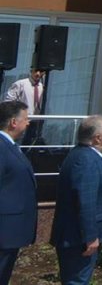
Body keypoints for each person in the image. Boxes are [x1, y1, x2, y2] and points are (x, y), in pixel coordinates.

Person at [51, 116, 102, 285]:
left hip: (80, 237)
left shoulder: (86, 156)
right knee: (77, 280)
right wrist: (90, 236)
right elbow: (85, 200)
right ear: (97, 138)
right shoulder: (85, 160)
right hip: (79, 239)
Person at [0, 100, 37, 285]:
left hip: (9, 234)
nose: (28, 123)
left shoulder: (11, 146)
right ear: (13, 122)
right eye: (26, 119)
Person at [4, 69, 45, 145]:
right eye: (36, 71)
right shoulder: (20, 84)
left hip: (34, 121)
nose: (38, 74)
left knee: (28, 143)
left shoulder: (41, 86)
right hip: (21, 120)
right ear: (31, 71)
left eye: (41, 72)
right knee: (17, 142)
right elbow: (9, 101)